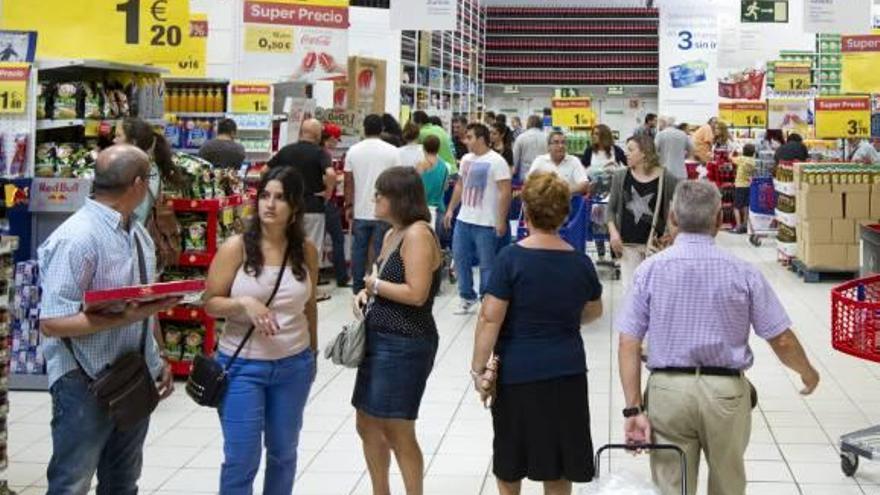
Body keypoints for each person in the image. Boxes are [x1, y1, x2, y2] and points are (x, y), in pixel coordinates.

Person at [616, 180, 820, 495]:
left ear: (672, 218)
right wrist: (807, 373)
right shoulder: (744, 272)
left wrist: (633, 409)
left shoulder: (649, 271)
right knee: (728, 484)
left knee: (672, 486)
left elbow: (628, 343)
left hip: (667, 392)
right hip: (726, 393)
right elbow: (781, 339)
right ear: (719, 221)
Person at [39, 145, 177, 495]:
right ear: (137, 183)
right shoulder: (77, 238)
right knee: (72, 482)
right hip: (82, 380)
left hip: (132, 374)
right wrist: (125, 316)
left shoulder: (136, 232)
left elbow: (143, 300)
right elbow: (53, 322)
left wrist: (156, 355)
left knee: (122, 482)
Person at [471, 173, 604, 495]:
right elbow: (593, 310)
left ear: (525, 212)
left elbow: (490, 318)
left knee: (510, 458)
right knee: (559, 463)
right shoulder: (580, 262)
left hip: (517, 371)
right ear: (565, 214)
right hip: (567, 371)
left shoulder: (511, 259)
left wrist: (478, 369)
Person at [204, 166, 319, 494]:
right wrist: (243, 304)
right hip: (241, 366)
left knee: (284, 454)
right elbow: (210, 303)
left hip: (293, 366)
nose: (270, 204)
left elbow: (309, 307)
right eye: (265, 196)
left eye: (280, 198)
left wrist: (311, 354)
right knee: (241, 457)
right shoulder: (236, 248)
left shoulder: (306, 251)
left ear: (295, 206)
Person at [353, 167, 442, 495]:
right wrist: (366, 294)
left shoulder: (418, 233)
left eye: (381, 194)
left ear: (400, 198)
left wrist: (374, 285)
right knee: (366, 423)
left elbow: (416, 293)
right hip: (379, 339)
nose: (374, 198)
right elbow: (381, 282)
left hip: (405, 343)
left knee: (397, 428)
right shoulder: (392, 233)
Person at [443, 123, 512, 314]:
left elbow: (505, 193)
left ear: (481, 139)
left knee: (487, 264)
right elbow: (460, 186)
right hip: (464, 220)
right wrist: (451, 210)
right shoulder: (465, 159)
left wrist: (501, 220)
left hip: (486, 222)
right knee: (460, 258)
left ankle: (487, 298)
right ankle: (466, 296)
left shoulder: (497, 162)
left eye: (470, 137)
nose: (465, 141)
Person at [607, 135, 678, 290]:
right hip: (627, 246)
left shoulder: (666, 178)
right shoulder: (620, 176)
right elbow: (610, 209)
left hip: (655, 247)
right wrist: (613, 234)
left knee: (654, 292)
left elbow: (679, 209)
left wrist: (672, 233)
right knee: (630, 292)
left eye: (631, 150)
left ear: (644, 152)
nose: (626, 153)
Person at [345, 114, 403, 294]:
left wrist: (349, 204)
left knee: (358, 250)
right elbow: (397, 180)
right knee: (381, 250)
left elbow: (349, 181)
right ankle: (379, 286)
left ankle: (357, 287)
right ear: (382, 129)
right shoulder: (393, 151)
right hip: (385, 211)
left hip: (361, 209)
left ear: (364, 128)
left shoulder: (353, 150)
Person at [268, 118, 335, 270]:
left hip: (288, 206)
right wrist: (328, 192)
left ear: (301, 132)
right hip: (313, 206)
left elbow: (265, 171)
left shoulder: (286, 150)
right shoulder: (320, 153)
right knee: (313, 247)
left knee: (288, 246)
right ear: (318, 135)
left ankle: (288, 281)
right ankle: (312, 289)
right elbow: (330, 174)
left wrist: (274, 192)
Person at [114, 117, 186, 226]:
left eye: (118, 136)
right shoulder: (147, 166)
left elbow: (138, 216)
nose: (114, 140)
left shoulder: (137, 170)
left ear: (133, 142)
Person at [321, 123, 350, 287]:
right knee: (338, 238)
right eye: (335, 140)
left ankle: (315, 275)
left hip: (313, 202)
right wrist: (337, 181)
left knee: (316, 239)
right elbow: (327, 177)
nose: (336, 143)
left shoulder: (319, 152)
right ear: (329, 138)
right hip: (327, 202)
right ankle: (341, 276)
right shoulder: (323, 154)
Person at [416, 135, 450, 228]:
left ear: (424, 147)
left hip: (424, 209)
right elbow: (446, 187)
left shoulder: (422, 165)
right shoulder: (444, 166)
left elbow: (416, 186)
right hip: (439, 208)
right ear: (438, 148)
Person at [512, 115, 548, 181]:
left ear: (528, 123)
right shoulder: (547, 137)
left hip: (526, 174)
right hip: (544, 173)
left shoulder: (521, 137)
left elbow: (514, 158)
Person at [733, 144, 757, 235]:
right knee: (746, 206)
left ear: (743, 151)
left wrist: (733, 152)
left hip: (740, 185)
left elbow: (731, 158)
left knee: (736, 207)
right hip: (749, 185)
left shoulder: (741, 159)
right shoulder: (753, 161)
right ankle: (745, 225)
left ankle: (738, 226)